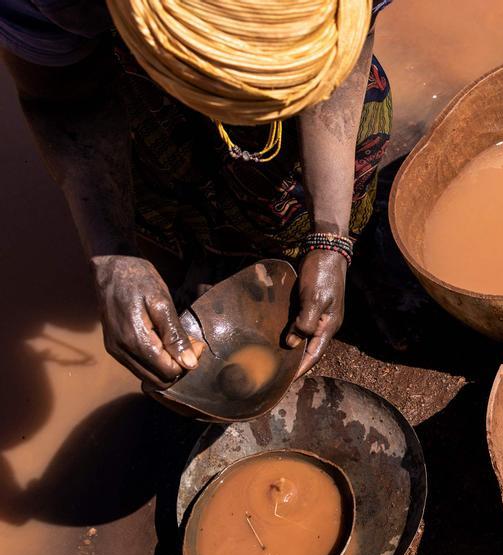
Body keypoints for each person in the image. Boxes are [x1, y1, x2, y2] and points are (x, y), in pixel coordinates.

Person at [0, 0, 393, 384]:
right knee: (158, 167)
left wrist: (330, 234)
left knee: (297, 183)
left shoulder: (333, 20)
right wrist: (113, 256)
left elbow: (351, 43)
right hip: (132, 72)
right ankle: (204, 255)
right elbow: (64, 99)